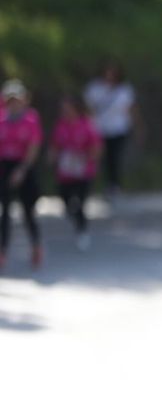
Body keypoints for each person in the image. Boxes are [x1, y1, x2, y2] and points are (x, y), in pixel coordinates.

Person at [0, 80, 46, 271]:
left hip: (25, 167)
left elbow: (34, 147)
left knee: (28, 212)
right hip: (5, 167)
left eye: (17, 100)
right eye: (10, 100)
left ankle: (36, 245)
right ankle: (3, 250)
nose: (13, 104)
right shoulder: (2, 120)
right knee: (5, 211)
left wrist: (22, 170)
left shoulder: (31, 119)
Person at [51, 94, 103, 251]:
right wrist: (52, 157)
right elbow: (55, 145)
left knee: (80, 202)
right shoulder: (61, 125)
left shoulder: (87, 124)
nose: (65, 111)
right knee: (66, 199)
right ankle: (73, 216)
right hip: (66, 171)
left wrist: (86, 158)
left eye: (68, 108)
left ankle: (82, 230)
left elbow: (96, 147)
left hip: (83, 171)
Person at [84, 61, 138, 202]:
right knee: (97, 157)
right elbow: (88, 109)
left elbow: (130, 109)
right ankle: (90, 185)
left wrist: (137, 126)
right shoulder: (94, 88)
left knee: (114, 157)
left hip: (119, 128)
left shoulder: (124, 89)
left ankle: (114, 185)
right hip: (98, 128)